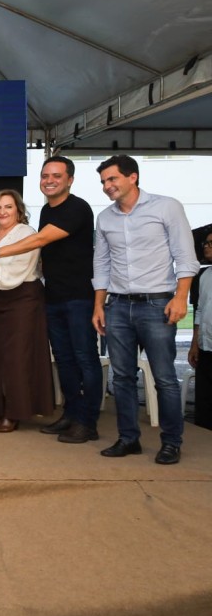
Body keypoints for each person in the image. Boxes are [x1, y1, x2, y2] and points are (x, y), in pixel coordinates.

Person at [0, 156, 103, 443]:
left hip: (76, 296)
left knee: (84, 359)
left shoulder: (77, 208)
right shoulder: (45, 211)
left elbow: (38, 243)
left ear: (70, 180)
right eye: (45, 176)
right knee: (64, 360)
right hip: (52, 296)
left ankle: (87, 422)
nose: (49, 181)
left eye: (56, 176)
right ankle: (70, 414)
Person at [92, 154, 198, 464]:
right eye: (103, 181)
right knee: (122, 377)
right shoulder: (105, 218)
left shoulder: (167, 207)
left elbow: (185, 256)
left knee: (164, 377)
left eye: (112, 179)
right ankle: (128, 439)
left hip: (157, 304)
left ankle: (171, 442)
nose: (107, 186)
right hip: (117, 305)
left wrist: (180, 297)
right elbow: (101, 264)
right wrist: (99, 305)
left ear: (132, 177)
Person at [0, 189, 53, 431]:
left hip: (23, 300)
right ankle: (1, 408)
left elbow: (17, 271)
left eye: (8, 206)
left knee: (17, 358)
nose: (2, 211)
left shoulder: (27, 234)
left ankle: (15, 412)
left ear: (18, 210)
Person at [188, 230, 212, 431]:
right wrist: (194, 344)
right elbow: (200, 310)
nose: (205, 247)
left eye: (211, 243)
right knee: (204, 397)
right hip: (206, 346)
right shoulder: (204, 276)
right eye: (206, 243)